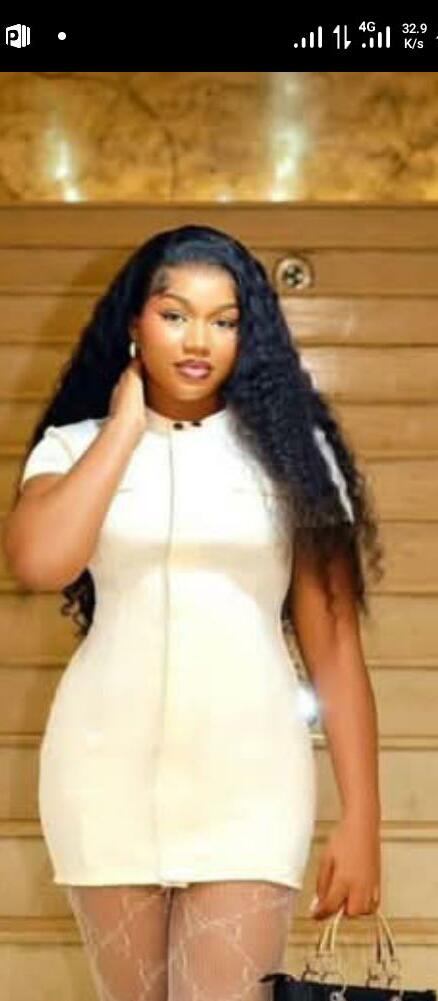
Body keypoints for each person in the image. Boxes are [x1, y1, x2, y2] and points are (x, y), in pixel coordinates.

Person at [3, 224, 383, 1001]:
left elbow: (336, 645)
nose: (198, 339)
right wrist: (123, 429)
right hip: (102, 772)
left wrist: (363, 818)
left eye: (223, 319)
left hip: (250, 778)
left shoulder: (294, 456)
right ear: (135, 324)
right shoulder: (73, 447)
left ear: (249, 334)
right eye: (175, 314)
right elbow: (40, 562)